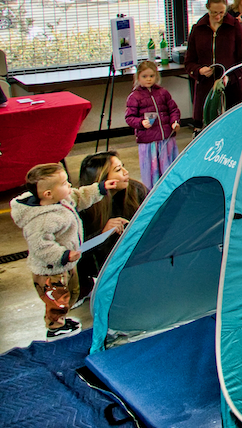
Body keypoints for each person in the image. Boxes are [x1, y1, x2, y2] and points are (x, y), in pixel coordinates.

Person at [11, 164, 121, 338]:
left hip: (66, 264)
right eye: (64, 183)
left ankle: (62, 319)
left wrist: (99, 189)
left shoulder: (62, 199)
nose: (69, 185)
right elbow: (41, 246)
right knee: (56, 299)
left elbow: (79, 196)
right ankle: (55, 327)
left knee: (71, 293)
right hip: (50, 270)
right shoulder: (41, 220)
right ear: (48, 194)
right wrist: (63, 255)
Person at [76, 151, 147, 293]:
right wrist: (102, 234)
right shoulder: (82, 206)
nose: (126, 172)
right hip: (99, 267)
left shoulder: (135, 190)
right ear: (102, 179)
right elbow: (76, 252)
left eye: (123, 167)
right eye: (118, 170)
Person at [185, 0, 242, 125]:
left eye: (221, 12)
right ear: (207, 8)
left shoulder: (234, 27)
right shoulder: (198, 29)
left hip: (233, 90)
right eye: (214, 12)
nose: (218, 16)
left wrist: (229, 77)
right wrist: (199, 70)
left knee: (235, 129)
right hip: (206, 91)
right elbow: (189, 62)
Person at [123, 60, 181, 188]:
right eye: (144, 76)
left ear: (156, 76)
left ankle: (170, 188)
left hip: (166, 138)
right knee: (152, 170)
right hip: (149, 142)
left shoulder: (163, 92)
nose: (148, 79)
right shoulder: (134, 96)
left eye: (151, 76)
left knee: (168, 167)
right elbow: (129, 117)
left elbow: (173, 110)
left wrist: (174, 122)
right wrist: (141, 123)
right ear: (138, 77)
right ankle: (152, 191)